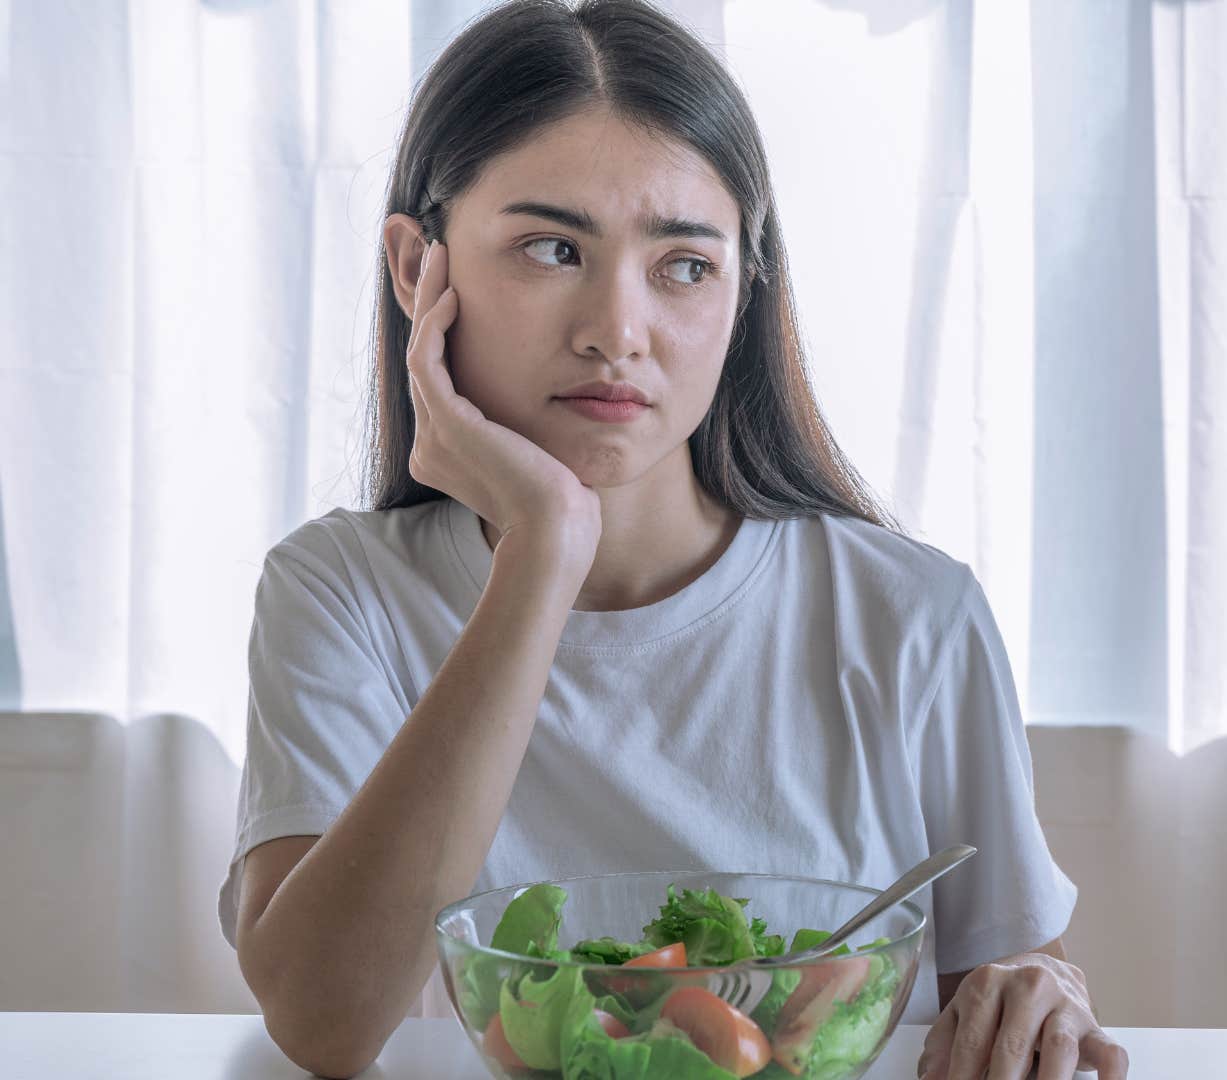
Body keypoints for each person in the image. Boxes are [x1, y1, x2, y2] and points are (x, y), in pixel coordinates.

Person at [215, 1, 1127, 1077]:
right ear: (420, 268)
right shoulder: (341, 594)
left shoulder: (909, 615)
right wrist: (543, 549)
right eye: (552, 248)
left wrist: (1043, 991)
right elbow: (324, 1023)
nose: (617, 330)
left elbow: (1014, 997)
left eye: (685, 264)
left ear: (745, 289)